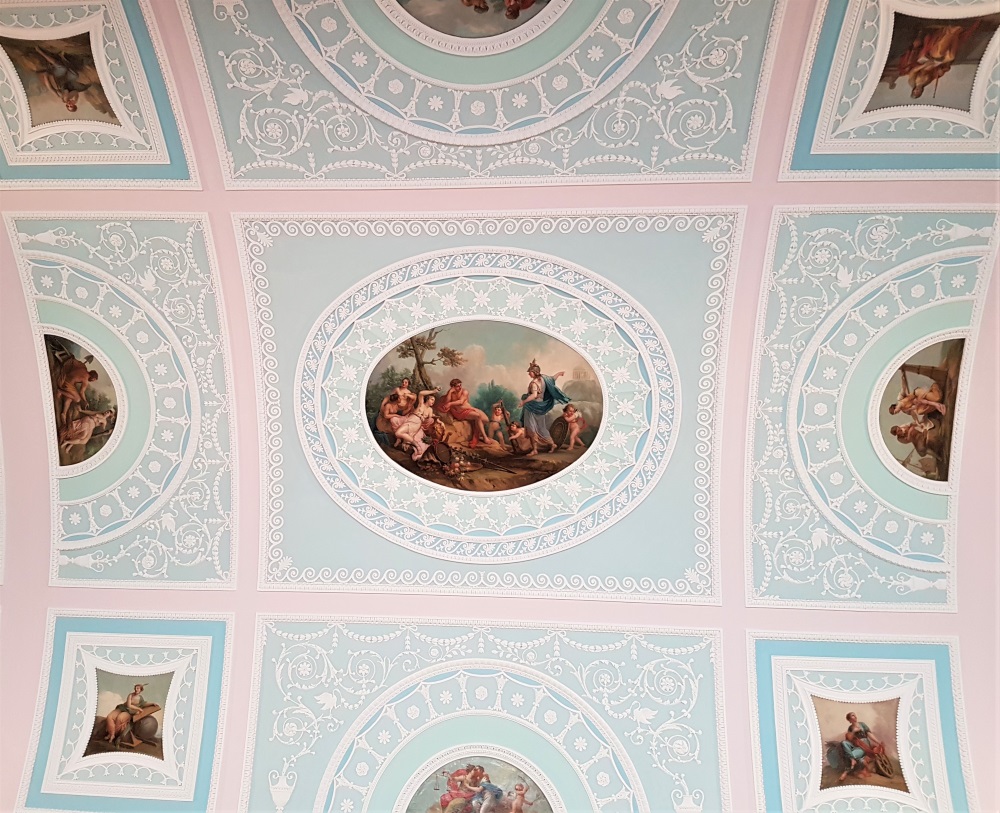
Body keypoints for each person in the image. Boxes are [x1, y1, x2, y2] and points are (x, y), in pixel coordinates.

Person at [519, 360, 570, 456]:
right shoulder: (544, 379)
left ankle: (535, 450)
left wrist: (524, 402)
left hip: (532, 406)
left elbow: (534, 395)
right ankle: (552, 444)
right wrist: (558, 374)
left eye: (530, 372)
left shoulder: (534, 383)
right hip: (540, 405)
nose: (529, 374)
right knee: (541, 427)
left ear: (534, 372)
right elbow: (552, 379)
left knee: (531, 427)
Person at [436, 379, 496, 448]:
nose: (460, 387)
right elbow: (446, 401)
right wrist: (449, 392)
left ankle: (481, 436)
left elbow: (461, 402)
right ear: (453, 387)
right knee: (478, 417)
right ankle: (485, 437)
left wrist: (450, 403)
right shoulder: (451, 393)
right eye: (457, 386)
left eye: (460, 385)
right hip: (458, 413)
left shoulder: (464, 391)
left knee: (483, 418)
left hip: (467, 410)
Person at [104, 684, 158, 749]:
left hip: (130, 712)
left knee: (120, 718)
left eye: (138, 688)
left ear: (141, 690)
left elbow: (143, 704)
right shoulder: (130, 695)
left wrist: (152, 703)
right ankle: (111, 734)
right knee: (109, 716)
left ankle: (114, 735)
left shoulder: (140, 698)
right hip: (123, 708)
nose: (136, 689)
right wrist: (138, 709)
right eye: (135, 688)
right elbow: (129, 705)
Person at [54, 352, 99, 427]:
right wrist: (85, 401)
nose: (92, 381)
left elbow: (73, 361)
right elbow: (81, 392)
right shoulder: (85, 380)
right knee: (77, 399)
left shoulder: (83, 367)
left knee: (70, 398)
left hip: (64, 377)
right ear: (93, 377)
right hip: (65, 383)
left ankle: (63, 413)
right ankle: (60, 391)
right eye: (93, 380)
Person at [838, 711, 883, 782]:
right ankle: (853, 759)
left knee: (851, 755)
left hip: (864, 745)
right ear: (849, 720)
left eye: (855, 715)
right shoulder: (850, 728)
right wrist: (853, 731)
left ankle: (846, 772)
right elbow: (849, 739)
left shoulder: (862, 724)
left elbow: (869, 734)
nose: (855, 716)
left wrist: (878, 742)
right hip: (855, 744)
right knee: (844, 743)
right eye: (852, 716)